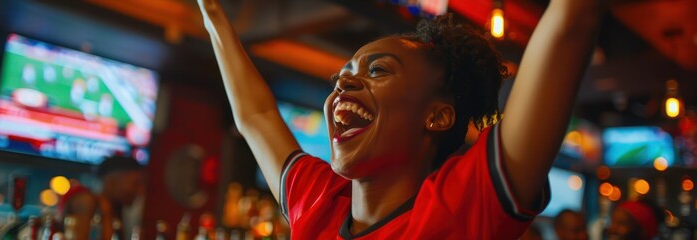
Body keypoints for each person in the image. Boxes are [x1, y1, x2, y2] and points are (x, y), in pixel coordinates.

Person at [197, 0, 604, 237]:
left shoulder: (462, 207)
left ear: (438, 115)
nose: (346, 84)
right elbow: (257, 114)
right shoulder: (319, 202)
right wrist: (212, 11)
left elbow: (571, 24)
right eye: (342, 76)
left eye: (377, 71)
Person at [59, 155, 144, 239]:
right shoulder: (86, 201)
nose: (140, 190)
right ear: (112, 182)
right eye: (135, 183)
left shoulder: (115, 209)